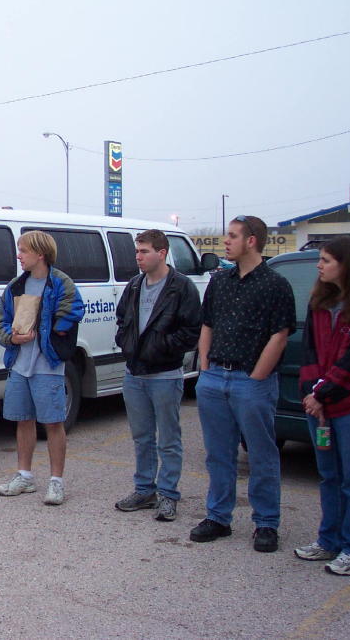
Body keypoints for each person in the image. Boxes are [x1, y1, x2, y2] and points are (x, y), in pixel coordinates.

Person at [191, 215, 295, 552]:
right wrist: (205, 368)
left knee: (261, 455)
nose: (226, 241)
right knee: (218, 454)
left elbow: (280, 335)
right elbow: (207, 324)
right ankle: (218, 517)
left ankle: (266, 523)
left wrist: (257, 377)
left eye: (233, 236)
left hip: (251, 382)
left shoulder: (275, 285)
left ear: (251, 241)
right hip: (214, 378)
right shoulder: (220, 282)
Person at [113, 229, 201, 521]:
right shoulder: (135, 286)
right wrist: (128, 346)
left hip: (165, 374)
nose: (138, 257)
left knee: (169, 439)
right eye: (137, 251)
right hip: (134, 374)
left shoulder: (181, 287)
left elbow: (191, 331)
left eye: (144, 251)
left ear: (161, 253)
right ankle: (144, 490)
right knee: (142, 437)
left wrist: (161, 348)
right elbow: (122, 319)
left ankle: (168, 495)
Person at [0, 230, 84, 505]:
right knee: (23, 419)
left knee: (53, 423)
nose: (18, 255)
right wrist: (12, 337)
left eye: (23, 250)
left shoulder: (61, 283)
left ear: (40, 254)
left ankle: (56, 482)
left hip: (49, 366)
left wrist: (52, 333)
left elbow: (74, 309)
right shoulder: (15, 286)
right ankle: (25, 476)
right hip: (19, 364)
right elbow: (0, 322)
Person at [294, 237, 350, 576]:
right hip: (319, 408)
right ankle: (329, 539)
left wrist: (323, 393)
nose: (319, 266)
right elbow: (309, 350)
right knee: (329, 476)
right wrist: (311, 393)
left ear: (346, 264)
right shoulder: (318, 302)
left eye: (325, 260)